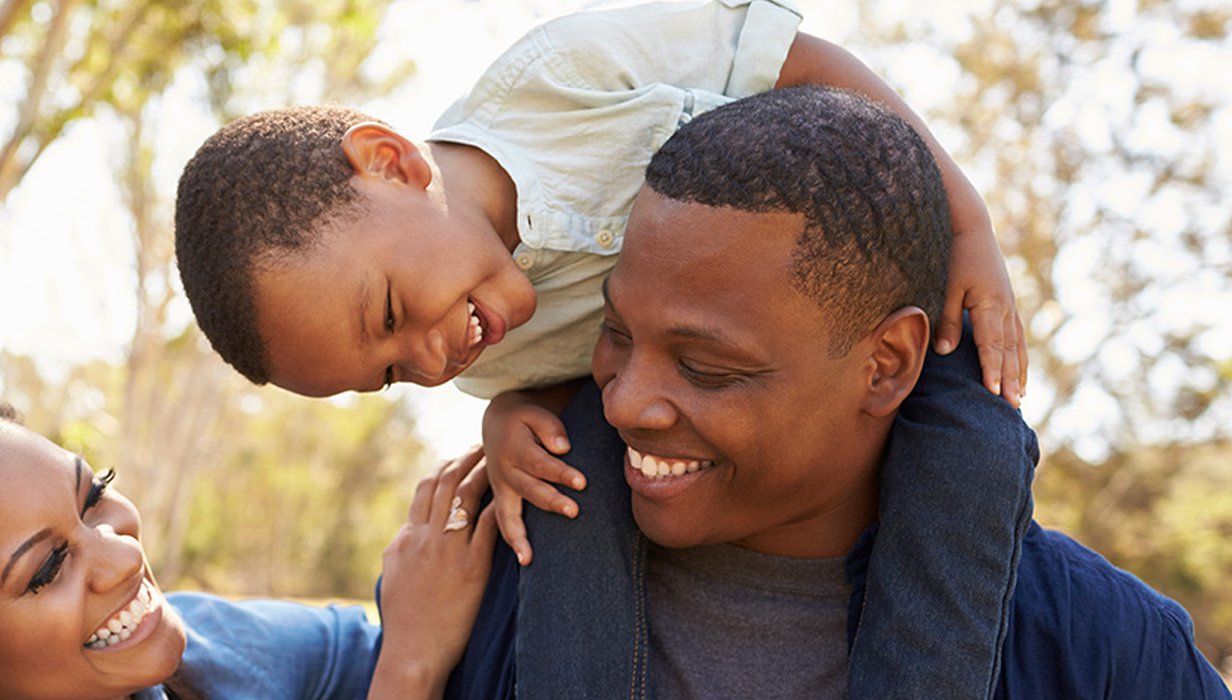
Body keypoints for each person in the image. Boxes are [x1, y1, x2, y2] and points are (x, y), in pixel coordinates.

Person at [173, 1, 1031, 696]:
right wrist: (508, 418)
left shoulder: (562, 78)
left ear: (390, 161)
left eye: (394, 311)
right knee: (567, 479)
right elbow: (567, 385)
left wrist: (965, 223)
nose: (432, 361)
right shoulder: (488, 351)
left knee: (978, 451)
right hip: (698, 428)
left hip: (849, 320)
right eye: (393, 373)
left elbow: (799, 62)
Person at [447, 85, 1232, 699]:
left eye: (708, 368)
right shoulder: (481, 582)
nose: (622, 404)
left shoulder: (1101, 650)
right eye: (617, 333)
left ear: (887, 364)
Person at [0, 374, 502, 700]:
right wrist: (410, 666)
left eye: (92, 495)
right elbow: (399, 653)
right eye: (48, 566)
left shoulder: (187, 651)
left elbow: (351, 648)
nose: (124, 553)